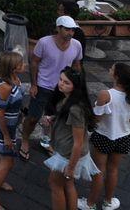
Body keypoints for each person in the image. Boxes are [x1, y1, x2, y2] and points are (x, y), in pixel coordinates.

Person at [20, 15, 84, 160]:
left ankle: (46, 141)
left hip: (62, 90)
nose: (70, 33)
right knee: (33, 118)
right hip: (43, 86)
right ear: (58, 28)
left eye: (72, 30)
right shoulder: (44, 42)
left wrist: (76, 86)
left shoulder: (77, 45)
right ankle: (25, 140)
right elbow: (34, 62)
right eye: (67, 29)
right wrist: (34, 84)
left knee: (54, 119)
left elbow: (76, 65)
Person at [87, 63, 130, 210]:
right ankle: (108, 202)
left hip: (104, 136)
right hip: (123, 138)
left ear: (116, 76)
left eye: (111, 68)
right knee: (113, 170)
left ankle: (90, 204)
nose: (109, 69)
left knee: (98, 170)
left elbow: (97, 118)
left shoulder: (106, 94)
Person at [43, 67, 100, 210]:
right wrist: (54, 118)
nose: (61, 84)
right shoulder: (69, 100)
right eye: (60, 80)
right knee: (68, 184)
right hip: (67, 151)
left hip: (68, 154)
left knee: (55, 185)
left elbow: (78, 142)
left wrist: (71, 167)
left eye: (66, 82)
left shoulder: (75, 109)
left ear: (75, 86)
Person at [0, 50, 25, 210]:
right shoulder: (6, 87)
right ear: (13, 68)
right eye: (21, 64)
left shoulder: (13, 79)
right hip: (3, 124)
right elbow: (2, 114)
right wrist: (6, 136)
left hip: (9, 122)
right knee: (7, 162)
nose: (24, 65)